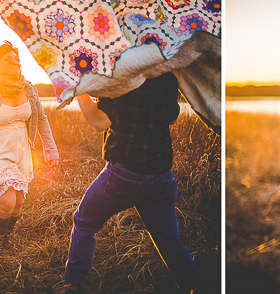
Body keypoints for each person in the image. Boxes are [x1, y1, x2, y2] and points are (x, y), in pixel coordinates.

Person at [58, 73, 206, 293]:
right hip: (162, 177)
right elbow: (173, 116)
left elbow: (99, 121)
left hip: (123, 175)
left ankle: (74, 286)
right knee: (170, 244)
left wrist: (79, 89)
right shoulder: (166, 75)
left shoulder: (121, 76)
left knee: (85, 221)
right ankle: (198, 288)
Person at [0, 41, 58, 242]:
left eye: (17, 59)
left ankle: (6, 235)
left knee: (19, 201)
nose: (15, 63)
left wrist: (50, 149)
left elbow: (41, 119)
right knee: (7, 200)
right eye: (9, 59)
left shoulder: (29, 90)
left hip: (20, 151)